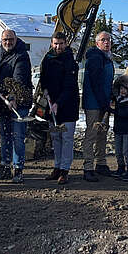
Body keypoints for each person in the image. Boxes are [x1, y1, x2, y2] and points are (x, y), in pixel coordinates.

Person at [0, 29, 32, 183]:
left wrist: (12, 97)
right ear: (1, 40)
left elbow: (18, 78)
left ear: (16, 39)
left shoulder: (21, 55)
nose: (8, 42)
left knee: (18, 136)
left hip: (19, 100)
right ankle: (5, 166)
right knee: (4, 134)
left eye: (11, 39)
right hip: (2, 100)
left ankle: (18, 168)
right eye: (5, 39)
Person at [40, 31, 79, 185]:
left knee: (67, 138)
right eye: (55, 43)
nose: (58, 46)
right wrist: (46, 92)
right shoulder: (47, 59)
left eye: (61, 43)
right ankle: (56, 167)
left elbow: (69, 86)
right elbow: (43, 78)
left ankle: (65, 169)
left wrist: (59, 103)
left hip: (67, 107)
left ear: (66, 43)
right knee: (56, 138)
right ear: (51, 43)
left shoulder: (70, 61)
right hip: (51, 105)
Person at [82, 31, 115, 182]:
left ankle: (100, 163)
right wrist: (103, 103)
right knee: (92, 135)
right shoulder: (95, 58)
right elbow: (96, 83)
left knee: (102, 134)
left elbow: (107, 82)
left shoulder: (106, 58)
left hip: (103, 102)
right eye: (103, 40)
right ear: (97, 43)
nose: (107, 42)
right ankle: (88, 167)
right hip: (94, 103)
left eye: (108, 40)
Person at [110, 75, 128, 181]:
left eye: (124, 88)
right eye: (121, 88)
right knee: (118, 150)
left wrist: (113, 109)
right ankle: (121, 167)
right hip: (118, 128)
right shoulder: (119, 100)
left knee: (126, 150)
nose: (122, 91)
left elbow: (125, 114)